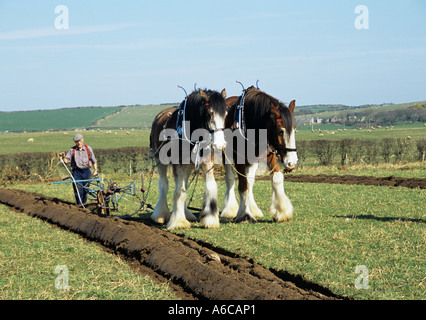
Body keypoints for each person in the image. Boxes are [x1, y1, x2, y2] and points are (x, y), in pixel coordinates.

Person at [60, 134, 98, 205]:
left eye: (80, 141)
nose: (79, 143)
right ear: (75, 142)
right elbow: (66, 161)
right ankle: (79, 205)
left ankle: (84, 203)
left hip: (87, 171)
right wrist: (63, 157)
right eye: (77, 141)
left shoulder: (88, 148)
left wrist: (95, 170)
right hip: (76, 172)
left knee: (86, 189)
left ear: (82, 140)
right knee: (78, 190)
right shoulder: (72, 150)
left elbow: (94, 160)